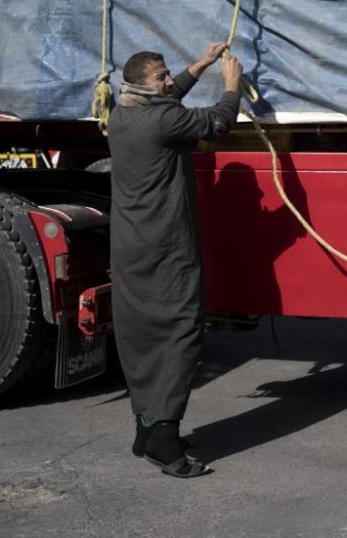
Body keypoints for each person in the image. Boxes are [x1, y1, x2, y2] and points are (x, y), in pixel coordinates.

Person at [108, 41, 242, 478]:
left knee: (141, 334)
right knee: (182, 330)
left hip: (131, 244)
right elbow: (219, 122)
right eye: (162, 77)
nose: (170, 81)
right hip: (167, 246)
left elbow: (167, 100)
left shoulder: (122, 113)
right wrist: (230, 84)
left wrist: (198, 66)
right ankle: (165, 441)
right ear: (145, 87)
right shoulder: (164, 119)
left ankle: (145, 427)